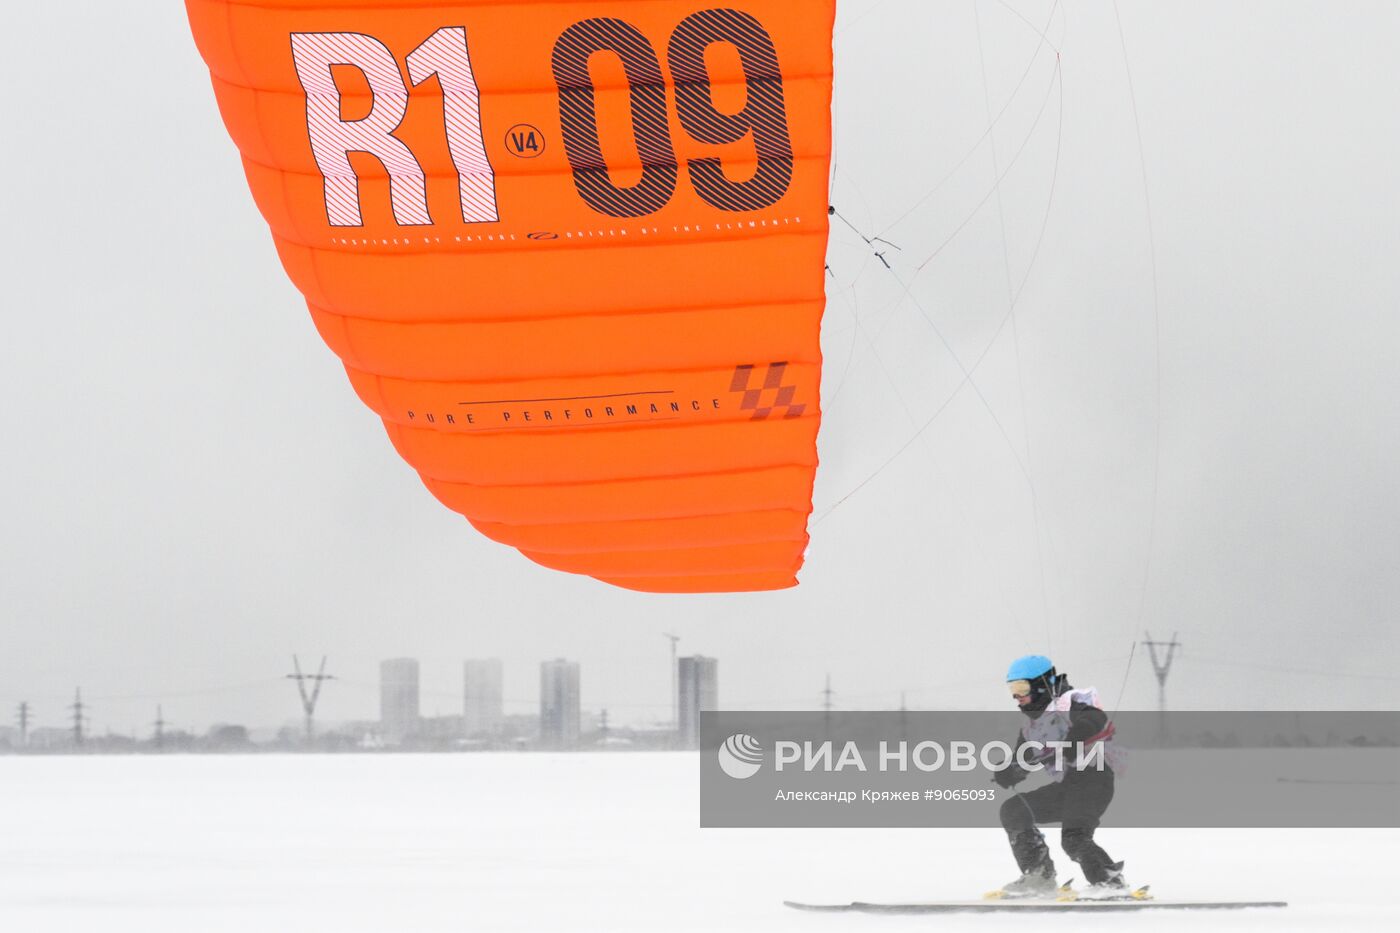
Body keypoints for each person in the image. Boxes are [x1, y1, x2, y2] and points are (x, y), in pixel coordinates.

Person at [991, 654, 1127, 898]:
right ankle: (1039, 876)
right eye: (1013, 689)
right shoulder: (1031, 727)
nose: (1017, 696)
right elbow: (1022, 757)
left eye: (1022, 688)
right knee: (1014, 810)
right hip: (1067, 787)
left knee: (1074, 838)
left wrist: (1076, 738)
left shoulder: (1068, 703)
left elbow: (1094, 718)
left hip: (1093, 781)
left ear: (1043, 684)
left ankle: (1109, 882)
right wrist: (1008, 771)